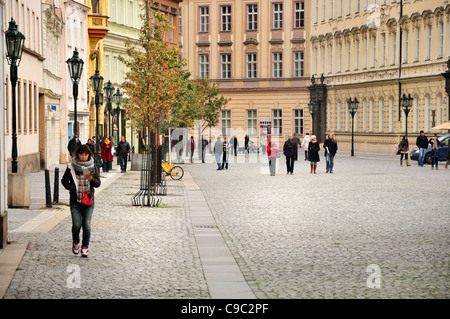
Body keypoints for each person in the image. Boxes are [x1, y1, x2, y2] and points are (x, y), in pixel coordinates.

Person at [61, 144, 101, 258]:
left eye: (86, 154)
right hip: (75, 201)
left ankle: (85, 247)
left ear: (89, 155)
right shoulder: (71, 167)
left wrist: (91, 179)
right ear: (77, 154)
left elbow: (98, 183)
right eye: (81, 154)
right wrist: (72, 188)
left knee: (87, 225)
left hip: (88, 201)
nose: (84, 156)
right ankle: (76, 242)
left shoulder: (91, 167)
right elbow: (64, 181)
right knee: (77, 224)